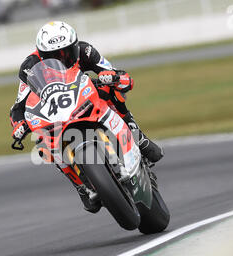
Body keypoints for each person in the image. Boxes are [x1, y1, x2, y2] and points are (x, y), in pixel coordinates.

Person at [10, 21, 164, 213]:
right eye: (53, 56)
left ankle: (137, 135)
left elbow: (117, 74)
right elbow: (18, 107)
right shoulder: (29, 66)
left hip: (85, 92)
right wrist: (18, 125)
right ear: (41, 54)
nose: (62, 58)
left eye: (66, 52)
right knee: (42, 143)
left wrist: (115, 78)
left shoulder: (86, 51)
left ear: (74, 46)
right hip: (55, 108)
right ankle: (80, 186)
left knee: (110, 91)